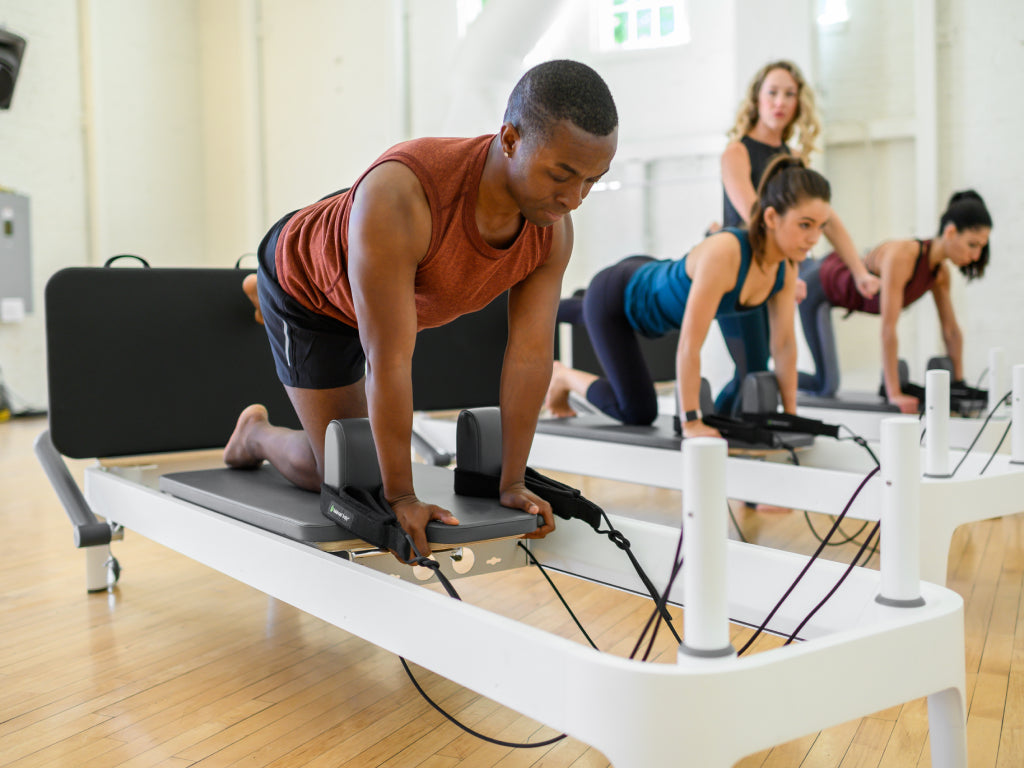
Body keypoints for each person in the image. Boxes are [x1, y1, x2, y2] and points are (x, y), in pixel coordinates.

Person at [224, 59, 619, 557]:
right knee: (345, 479)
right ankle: (255, 432)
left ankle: (265, 294)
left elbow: (529, 353)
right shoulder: (403, 195)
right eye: (561, 174)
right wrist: (401, 496)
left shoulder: (551, 228)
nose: (575, 198)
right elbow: (388, 358)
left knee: (361, 446)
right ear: (511, 140)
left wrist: (512, 482)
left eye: (592, 181)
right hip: (308, 288)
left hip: (373, 256)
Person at [546, 155, 831, 437]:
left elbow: (783, 345)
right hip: (618, 297)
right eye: (805, 225)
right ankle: (562, 376)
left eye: (820, 226)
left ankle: (558, 306)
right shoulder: (726, 252)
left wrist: (791, 416)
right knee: (637, 412)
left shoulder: (784, 267)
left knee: (582, 313)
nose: (815, 238)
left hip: (649, 278)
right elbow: (690, 345)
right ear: (771, 217)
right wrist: (691, 421)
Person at [713, 60, 879, 414]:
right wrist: (790, 271)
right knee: (752, 371)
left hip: (772, 274)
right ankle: (705, 432)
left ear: (798, 104)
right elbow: (755, 215)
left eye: (789, 94)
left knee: (763, 370)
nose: (780, 102)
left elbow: (826, 220)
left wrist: (860, 272)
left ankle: (753, 429)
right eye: (772, 92)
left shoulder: (793, 160)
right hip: (735, 275)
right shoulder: (736, 152)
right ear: (757, 98)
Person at [798, 190, 993, 413]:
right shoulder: (903, 256)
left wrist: (959, 384)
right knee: (826, 385)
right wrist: (894, 394)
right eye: (972, 245)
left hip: (831, 282)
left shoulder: (939, 274)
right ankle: (762, 379)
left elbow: (951, 330)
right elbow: (888, 329)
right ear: (950, 232)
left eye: (981, 247)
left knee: (826, 384)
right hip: (817, 285)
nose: (977, 256)